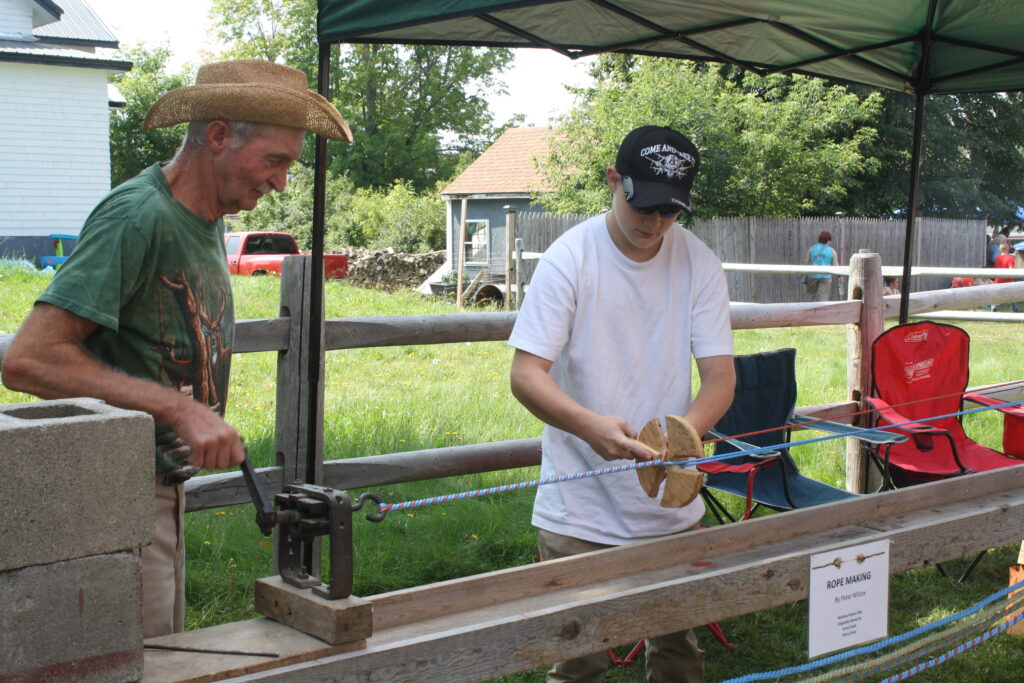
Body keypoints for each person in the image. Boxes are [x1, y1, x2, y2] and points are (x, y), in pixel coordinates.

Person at [1, 60, 352, 637]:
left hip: (156, 487)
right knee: (143, 664)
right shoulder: (138, 217)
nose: (282, 182)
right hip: (114, 495)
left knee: (165, 651)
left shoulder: (208, 216)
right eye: (275, 160)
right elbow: (30, 358)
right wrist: (178, 407)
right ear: (217, 136)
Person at [508, 125, 735, 682]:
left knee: (679, 655)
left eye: (670, 212)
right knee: (577, 657)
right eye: (643, 205)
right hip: (578, 505)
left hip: (669, 504)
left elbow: (721, 378)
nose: (654, 224)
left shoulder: (698, 262)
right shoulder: (570, 258)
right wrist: (589, 428)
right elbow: (525, 375)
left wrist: (684, 437)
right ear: (613, 180)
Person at [805, 231, 838, 301]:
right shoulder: (832, 251)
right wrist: (840, 276)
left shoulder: (811, 248)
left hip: (812, 276)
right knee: (823, 297)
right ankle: (822, 312)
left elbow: (806, 263)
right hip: (825, 277)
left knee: (810, 296)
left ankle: (809, 311)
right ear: (828, 241)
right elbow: (836, 265)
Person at [992, 241, 1020, 312]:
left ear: (1000, 250)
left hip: (998, 280)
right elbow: (1011, 270)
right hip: (1008, 281)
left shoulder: (997, 258)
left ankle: (993, 307)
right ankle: (1014, 309)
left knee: (995, 296)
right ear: (1008, 249)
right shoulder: (1010, 258)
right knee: (1012, 295)